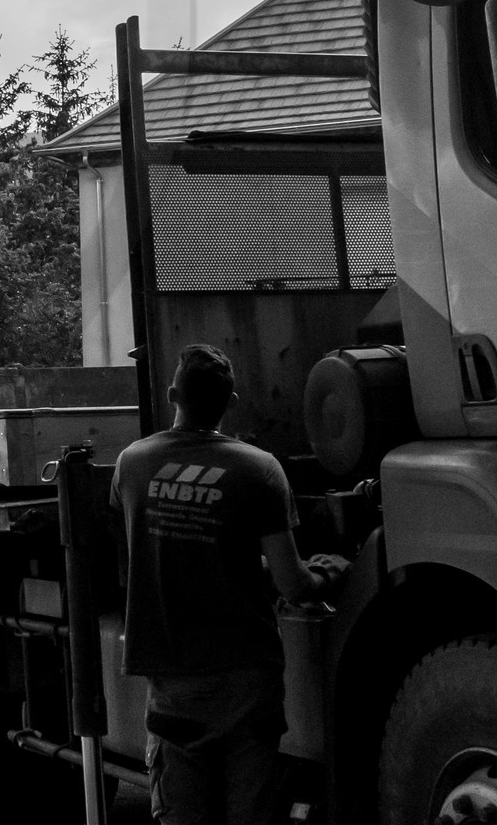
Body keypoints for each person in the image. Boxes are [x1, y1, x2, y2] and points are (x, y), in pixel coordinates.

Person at [111, 343, 350, 825]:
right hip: (248, 689)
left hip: (175, 689)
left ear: (173, 392)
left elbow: (152, 555)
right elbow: (294, 584)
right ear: (233, 401)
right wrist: (332, 570)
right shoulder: (260, 469)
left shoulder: (132, 464)